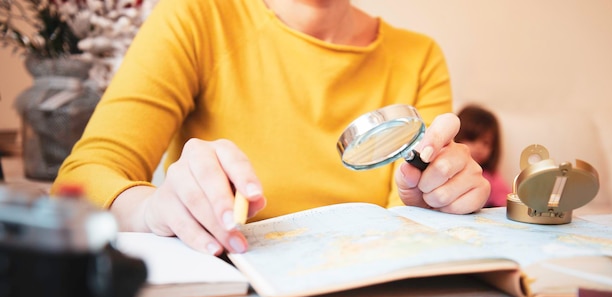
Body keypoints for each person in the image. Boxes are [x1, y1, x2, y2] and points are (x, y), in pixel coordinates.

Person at [52, 0, 490, 255]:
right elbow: (82, 178)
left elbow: (407, 232)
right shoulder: (196, 16)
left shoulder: (419, 56)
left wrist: (434, 195)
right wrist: (152, 210)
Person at [455, 104, 510, 207]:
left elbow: (507, 203)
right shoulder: (447, 170)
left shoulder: (491, 177)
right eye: (472, 139)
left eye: (486, 143)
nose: (479, 148)